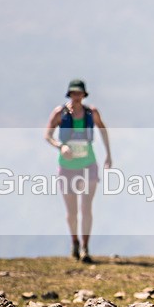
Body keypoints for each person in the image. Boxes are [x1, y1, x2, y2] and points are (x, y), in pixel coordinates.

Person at [44, 79, 112, 263]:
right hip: (67, 167)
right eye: (73, 93)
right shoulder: (60, 113)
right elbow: (47, 135)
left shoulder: (92, 112)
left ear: (84, 94)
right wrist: (60, 146)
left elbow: (103, 130)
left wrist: (108, 155)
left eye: (79, 93)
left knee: (86, 207)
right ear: (69, 94)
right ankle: (74, 242)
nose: (76, 96)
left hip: (88, 164)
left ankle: (85, 247)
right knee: (72, 211)